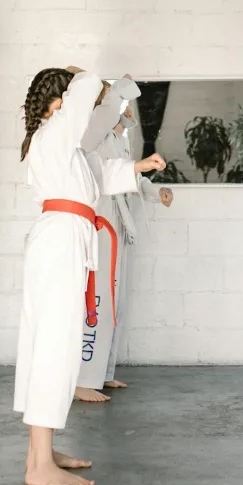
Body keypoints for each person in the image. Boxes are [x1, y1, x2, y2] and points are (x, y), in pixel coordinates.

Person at [13, 66, 165, 485]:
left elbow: (100, 178)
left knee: (55, 344)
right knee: (53, 346)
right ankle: (39, 465)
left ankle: (40, 452)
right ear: (59, 102)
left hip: (64, 238)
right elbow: (83, 94)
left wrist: (139, 166)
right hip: (59, 239)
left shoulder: (68, 147)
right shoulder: (54, 133)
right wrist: (85, 74)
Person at [76, 84, 173, 401]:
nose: (126, 113)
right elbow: (109, 175)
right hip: (99, 222)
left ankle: (103, 373)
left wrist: (156, 193)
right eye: (119, 107)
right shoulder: (87, 135)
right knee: (98, 299)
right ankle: (84, 378)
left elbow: (133, 177)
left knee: (115, 301)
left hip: (118, 223)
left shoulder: (117, 140)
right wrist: (116, 92)